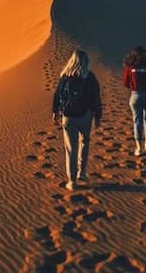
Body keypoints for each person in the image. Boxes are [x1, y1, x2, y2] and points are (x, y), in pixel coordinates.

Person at [52, 49, 102, 190]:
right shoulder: (90, 77)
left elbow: (57, 95)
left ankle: (72, 181)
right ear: (86, 62)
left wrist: (55, 112)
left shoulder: (65, 77)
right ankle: (82, 173)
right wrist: (98, 116)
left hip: (68, 117)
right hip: (85, 116)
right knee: (84, 142)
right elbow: (96, 98)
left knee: (71, 148)